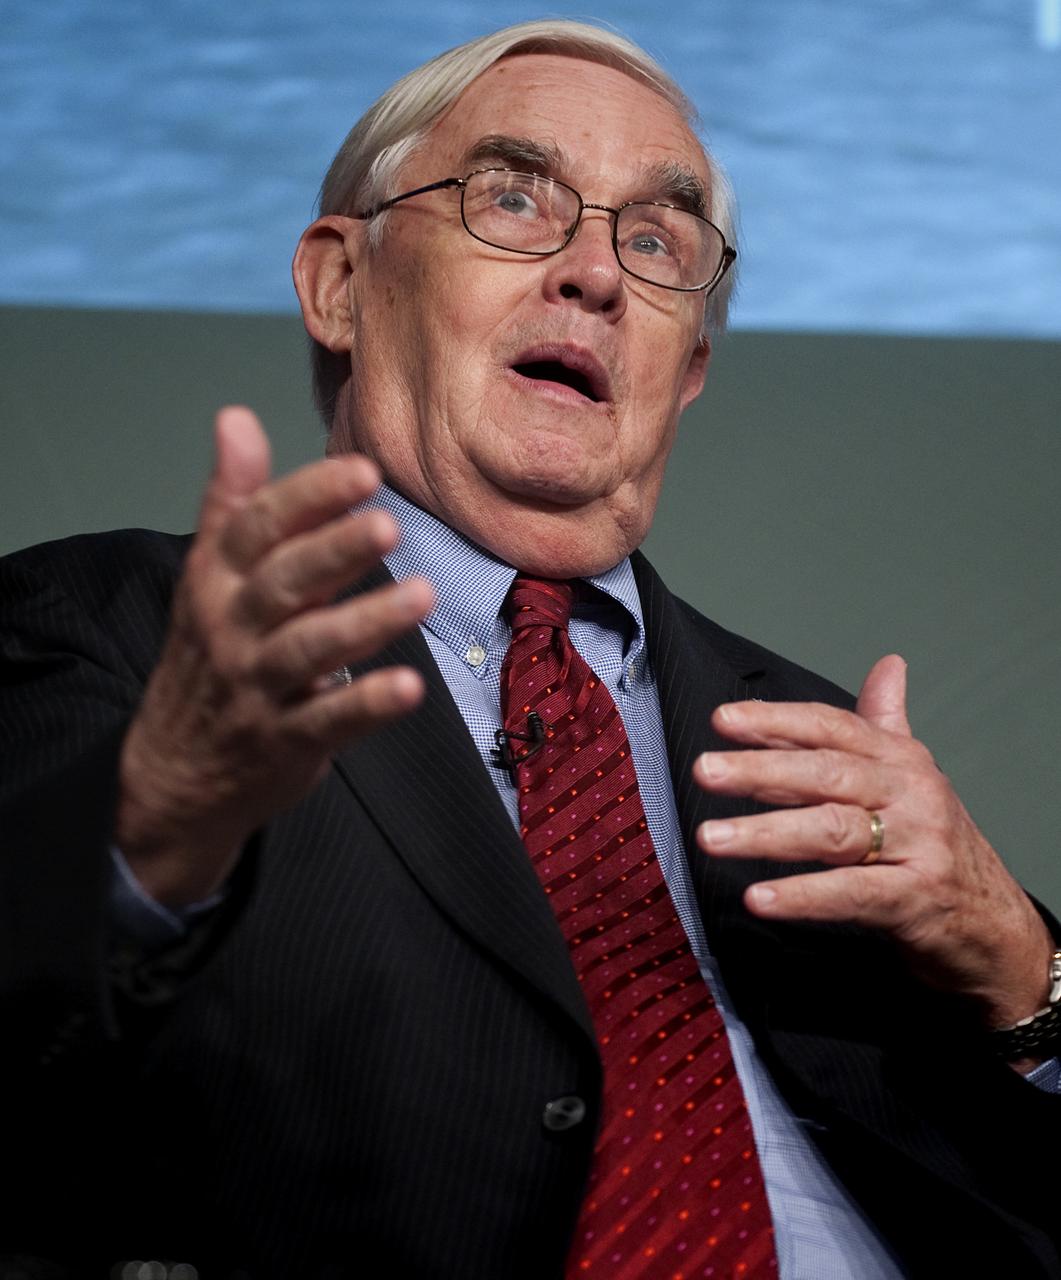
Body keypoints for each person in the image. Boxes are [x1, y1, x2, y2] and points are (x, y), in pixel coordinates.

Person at [2, 19, 1059, 1280]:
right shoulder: (122, 627)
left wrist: (1024, 971)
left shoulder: (822, 751)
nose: (597, 275)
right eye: (514, 198)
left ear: (688, 373)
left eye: (656, 241)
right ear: (341, 283)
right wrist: (150, 822)